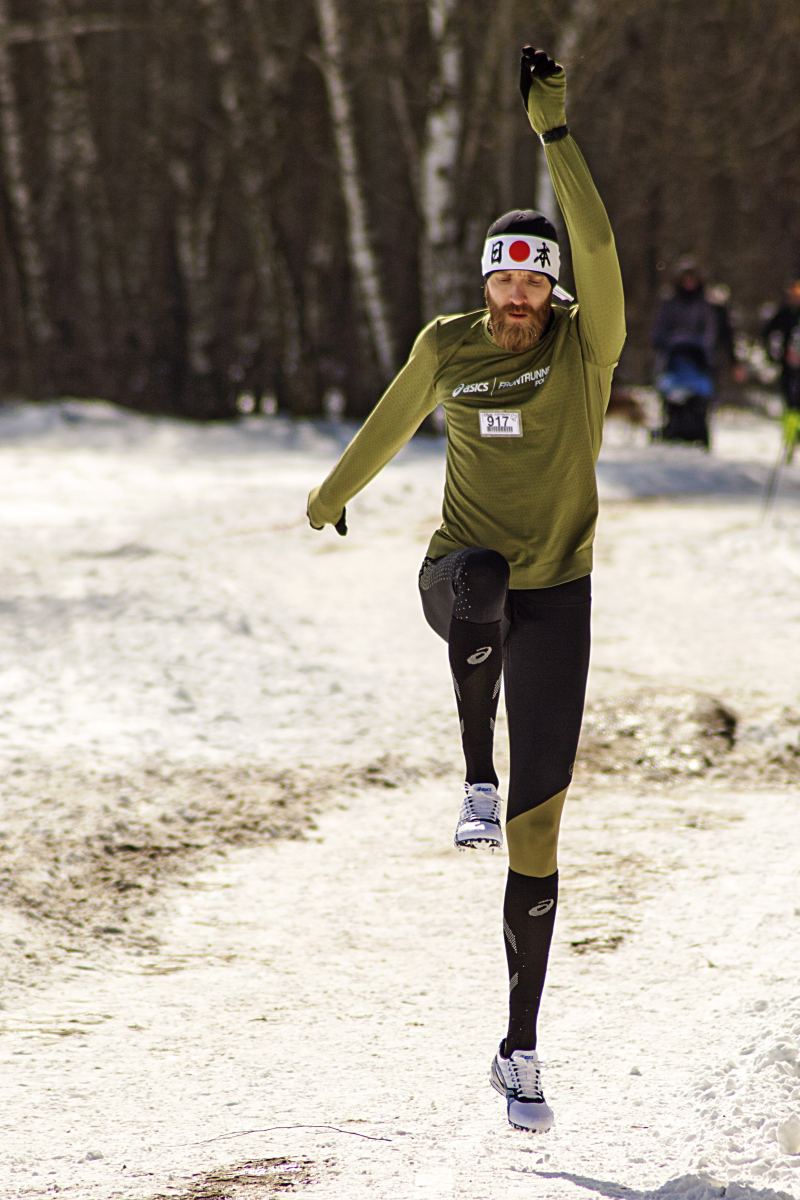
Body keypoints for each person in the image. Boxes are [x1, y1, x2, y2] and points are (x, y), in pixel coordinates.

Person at [307, 47, 625, 1134]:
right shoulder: (448, 345)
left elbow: (600, 247)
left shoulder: (587, 351)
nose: (518, 295)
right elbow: (391, 419)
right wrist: (330, 493)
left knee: (542, 838)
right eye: (504, 276)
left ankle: (519, 1047)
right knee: (482, 577)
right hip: (459, 581)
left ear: (552, 290)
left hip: (561, 597)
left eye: (535, 278)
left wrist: (555, 134)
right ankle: (471, 775)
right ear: (483, 281)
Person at [651, 259, 721, 447]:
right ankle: (673, 428)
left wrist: (702, 352)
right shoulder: (670, 304)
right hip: (674, 360)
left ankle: (697, 431)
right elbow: (660, 330)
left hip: (697, 361)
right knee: (672, 397)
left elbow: (710, 332)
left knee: (698, 399)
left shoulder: (705, 306)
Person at [762, 275, 800, 413]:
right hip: (789, 366)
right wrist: (773, 355)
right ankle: (791, 432)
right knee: (790, 403)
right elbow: (768, 333)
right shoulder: (785, 313)